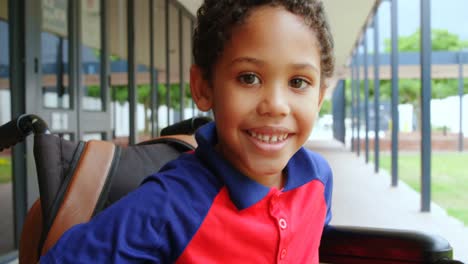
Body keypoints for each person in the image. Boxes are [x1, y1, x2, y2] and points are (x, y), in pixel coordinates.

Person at [41, 0, 335, 263]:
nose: (276, 106)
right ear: (203, 87)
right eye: (249, 78)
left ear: (319, 97)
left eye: (298, 82)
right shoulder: (169, 204)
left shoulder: (318, 179)